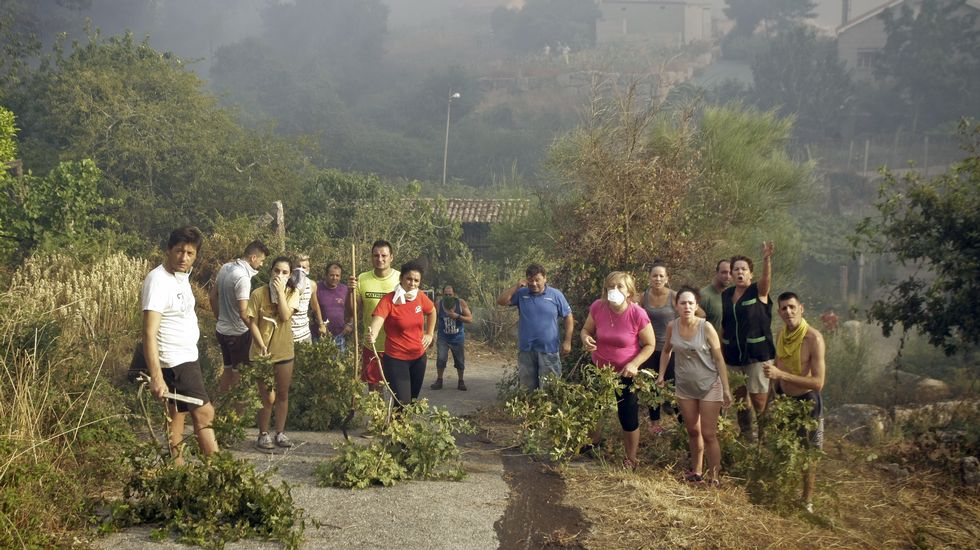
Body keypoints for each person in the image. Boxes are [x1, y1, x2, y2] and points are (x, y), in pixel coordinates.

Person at [141, 226, 218, 463]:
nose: (184, 258)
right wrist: (156, 376)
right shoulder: (158, 281)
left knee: (176, 416)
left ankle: (177, 475)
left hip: (187, 356)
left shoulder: (182, 277)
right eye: (179, 251)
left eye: (190, 253)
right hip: (175, 361)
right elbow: (148, 332)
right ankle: (221, 474)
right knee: (205, 414)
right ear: (168, 250)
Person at [580, 272, 656, 470]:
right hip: (599, 369)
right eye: (610, 286)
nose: (614, 290)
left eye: (620, 286)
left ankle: (630, 459)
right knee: (594, 410)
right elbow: (586, 330)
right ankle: (592, 444)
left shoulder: (637, 314)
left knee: (627, 415)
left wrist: (634, 364)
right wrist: (585, 338)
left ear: (629, 291)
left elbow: (649, 344)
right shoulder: (598, 307)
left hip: (625, 373)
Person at [659, 286, 733, 485]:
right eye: (683, 303)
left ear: (697, 305)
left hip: (709, 384)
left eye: (691, 303)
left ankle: (714, 477)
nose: (687, 306)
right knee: (692, 430)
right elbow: (666, 351)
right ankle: (696, 471)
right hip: (684, 386)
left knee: (709, 433)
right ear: (676, 306)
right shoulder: (672, 327)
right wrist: (661, 375)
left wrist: (726, 388)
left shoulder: (706, 327)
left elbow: (718, 358)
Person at [764, 292, 827, 512]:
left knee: (808, 451)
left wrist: (780, 375)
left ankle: (807, 500)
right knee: (783, 448)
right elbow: (778, 367)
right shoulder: (781, 333)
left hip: (806, 402)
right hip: (784, 399)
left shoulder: (813, 338)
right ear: (779, 312)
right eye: (783, 308)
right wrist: (773, 397)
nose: (788, 312)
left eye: (792, 307)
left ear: (801, 308)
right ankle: (782, 491)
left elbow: (818, 383)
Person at [721, 242, 775, 440]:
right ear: (731, 274)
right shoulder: (726, 295)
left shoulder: (757, 291)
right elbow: (724, 324)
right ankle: (746, 436)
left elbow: (767, 280)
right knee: (740, 398)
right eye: (736, 269)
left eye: (744, 269)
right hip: (733, 356)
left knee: (759, 399)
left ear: (751, 274)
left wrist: (767, 259)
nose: (740, 272)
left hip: (757, 355)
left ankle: (765, 440)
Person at [247, 256, 301, 450]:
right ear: (270, 271)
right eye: (276, 271)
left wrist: (280, 292)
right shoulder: (258, 293)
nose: (279, 275)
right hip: (262, 353)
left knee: (283, 394)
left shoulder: (293, 292)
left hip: (284, 350)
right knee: (267, 397)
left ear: (290, 275)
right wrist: (260, 345)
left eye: (285, 272)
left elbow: (286, 315)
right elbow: (251, 322)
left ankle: (280, 432)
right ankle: (263, 434)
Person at [366, 261, 437, 406]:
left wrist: (429, 334)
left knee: (411, 401)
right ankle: (393, 426)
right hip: (396, 360)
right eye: (409, 279)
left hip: (418, 358)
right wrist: (372, 333)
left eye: (416, 280)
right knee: (402, 402)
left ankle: (401, 428)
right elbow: (378, 319)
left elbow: (432, 311)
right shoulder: (389, 300)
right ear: (401, 279)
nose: (412, 283)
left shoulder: (420, 296)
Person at [497, 264, 574, 390]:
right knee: (526, 389)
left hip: (549, 350)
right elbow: (501, 301)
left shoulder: (556, 295)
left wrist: (567, 341)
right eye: (530, 280)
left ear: (545, 278)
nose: (534, 283)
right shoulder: (521, 294)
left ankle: (547, 410)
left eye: (537, 279)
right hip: (526, 349)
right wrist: (516, 286)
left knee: (550, 389)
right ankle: (530, 409)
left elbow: (568, 317)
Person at [210, 240, 268, 395]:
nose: (261, 265)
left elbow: (212, 297)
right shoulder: (242, 278)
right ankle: (237, 416)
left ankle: (221, 409)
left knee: (227, 370)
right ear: (253, 258)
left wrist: (220, 319)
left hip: (222, 331)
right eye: (261, 261)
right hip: (238, 335)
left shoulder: (225, 267)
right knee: (240, 376)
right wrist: (258, 339)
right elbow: (244, 313)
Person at [349, 240, 400, 391]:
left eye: (384, 255)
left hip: (396, 345)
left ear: (391, 257)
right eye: (376, 255)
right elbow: (353, 310)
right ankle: (378, 416)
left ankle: (393, 416)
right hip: (371, 344)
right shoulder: (362, 279)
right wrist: (350, 291)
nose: (380, 259)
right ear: (371, 257)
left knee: (396, 390)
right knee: (374, 390)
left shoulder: (401, 279)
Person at [640, 261, 677, 435]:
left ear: (667, 278)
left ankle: (680, 422)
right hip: (648, 349)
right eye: (654, 275)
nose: (658, 278)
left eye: (661, 275)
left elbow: (699, 314)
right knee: (652, 385)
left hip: (670, 349)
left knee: (672, 385)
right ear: (649, 278)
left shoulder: (675, 297)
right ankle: (655, 425)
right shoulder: (643, 297)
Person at [431, 284, 473, 391]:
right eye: (446, 294)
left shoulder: (460, 303)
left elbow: (470, 319)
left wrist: (458, 316)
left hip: (457, 337)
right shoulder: (439, 304)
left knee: (459, 360)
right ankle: (439, 380)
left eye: (450, 294)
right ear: (443, 294)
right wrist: (431, 334)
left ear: (454, 294)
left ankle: (461, 381)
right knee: (441, 359)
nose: (448, 296)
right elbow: (433, 319)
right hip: (443, 337)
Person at [289, 254, 326, 344]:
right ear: (292, 267)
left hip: (305, 334)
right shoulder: (286, 283)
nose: (300, 269)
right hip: (287, 334)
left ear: (308, 270)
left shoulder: (312, 284)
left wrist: (321, 324)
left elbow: (315, 305)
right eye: (298, 266)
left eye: (303, 267)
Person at [313, 262, 351, 350]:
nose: (334, 278)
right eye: (332, 275)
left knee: (339, 362)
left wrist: (350, 324)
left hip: (339, 336)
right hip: (320, 336)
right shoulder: (317, 288)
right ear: (326, 275)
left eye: (337, 276)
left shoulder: (345, 289)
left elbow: (351, 309)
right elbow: (313, 309)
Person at [699, 259, 731, 330]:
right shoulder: (704, 296)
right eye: (724, 272)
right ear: (716, 273)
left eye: (730, 273)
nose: (728, 276)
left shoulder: (732, 295)